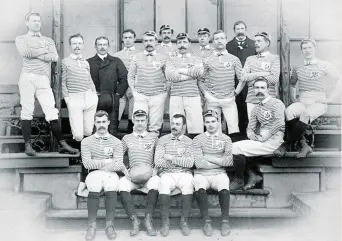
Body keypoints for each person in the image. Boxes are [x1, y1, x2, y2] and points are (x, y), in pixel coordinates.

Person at [15, 12, 78, 156]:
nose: (37, 23)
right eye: (33, 21)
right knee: (27, 109)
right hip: (27, 77)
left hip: (43, 78)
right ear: (27, 23)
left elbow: (55, 57)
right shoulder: (21, 38)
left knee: (51, 110)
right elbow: (26, 53)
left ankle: (62, 144)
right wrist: (43, 52)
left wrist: (36, 52)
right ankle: (28, 145)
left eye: (38, 20)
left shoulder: (48, 40)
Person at [274, 38, 342, 158]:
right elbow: (292, 84)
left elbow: (339, 79)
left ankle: (287, 143)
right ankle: (304, 145)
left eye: (310, 47)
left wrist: (331, 98)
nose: (307, 50)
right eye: (304, 48)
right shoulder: (298, 68)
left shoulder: (324, 65)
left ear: (314, 48)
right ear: (301, 50)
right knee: (288, 111)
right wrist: (293, 97)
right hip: (303, 100)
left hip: (318, 101)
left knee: (305, 114)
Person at [81, 110, 129, 241]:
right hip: (94, 173)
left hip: (110, 173)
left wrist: (104, 165)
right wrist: (107, 161)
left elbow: (118, 164)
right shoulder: (86, 142)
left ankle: (110, 225)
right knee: (95, 186)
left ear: (108, 122)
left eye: (103, 122)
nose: (101, 125)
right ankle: (91, 226)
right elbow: (87, 164)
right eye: (98, 122)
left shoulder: (116, 142)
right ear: (94, 123)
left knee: (111, 185)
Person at [232, 77, 285, 190]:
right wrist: (252, 136)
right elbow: (250, 128)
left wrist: (265, 137)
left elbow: (279, 123)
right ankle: (252, 174)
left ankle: (240, 179)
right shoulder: (256, 108)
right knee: (232, 147)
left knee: (235, 148)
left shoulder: (277, 103)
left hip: (274, 141)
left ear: (268, 90)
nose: (259, 90)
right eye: (256, 88)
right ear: (253, 90)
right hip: (261, 140)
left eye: (262, 87)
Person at [118, 110, 160, 236]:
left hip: (149, 175)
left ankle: (148, 219)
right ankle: (134, 220)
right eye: (137, 120)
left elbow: (160, 156)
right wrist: (125, 171)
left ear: (147, 121)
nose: (140, 123)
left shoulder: (154, 137)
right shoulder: (127, 138)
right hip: (133, 175)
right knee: (121, 184)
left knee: (157, 182)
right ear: (133, 121)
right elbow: (118, 157)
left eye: (142, 120)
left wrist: (155, 170)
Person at [192, 110, 233, 237]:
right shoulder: (198, 139)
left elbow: (229, 162)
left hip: (219, 174)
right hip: (201, 174)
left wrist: (207, 157)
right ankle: (206, 221)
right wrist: (220, 161)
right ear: (204, 123)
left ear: (219, 122)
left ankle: (225, 221)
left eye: (213, 121)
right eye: (207, 122)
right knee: (199, 184)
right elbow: (199, 163)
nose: (210, 124)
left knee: (224, 183)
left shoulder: (226, 139)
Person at [199, 30, 244, 140]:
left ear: (226, 40)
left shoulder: (234, 59)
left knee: (233, 128)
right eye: (216, 39)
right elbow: (200, 80)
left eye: (222, 38)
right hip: (212, 99)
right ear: (213, 41)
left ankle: (233, 155)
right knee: (213, 129)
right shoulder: (207, 60)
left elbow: (242, 79)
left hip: (229, 99)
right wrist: (206, 94)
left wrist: (236, 93)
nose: (219, 41)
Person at [154, 114, 195, 236]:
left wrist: (171, 158)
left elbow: (190, 162)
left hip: (184, 173)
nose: (174, 126)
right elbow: (158, 161)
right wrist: (178, 163)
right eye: (172, 123)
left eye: (177, 124)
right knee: (164, 183)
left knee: (188, 183)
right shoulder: (162, 140)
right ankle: (165, 222)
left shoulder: (189, 141)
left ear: (184, 126)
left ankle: (184, 221)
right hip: (167, 173)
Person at [128, 31, 168, 134]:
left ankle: (153, 148)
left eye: (151, 40)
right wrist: (134, 92)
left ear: (156, 42)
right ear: (143, 42)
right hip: (141, 95)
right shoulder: (136, 57)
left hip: (158, 95)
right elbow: (130, 76)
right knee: (139, 123)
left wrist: (165, 92)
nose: (148, 43)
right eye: (146, 41)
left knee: (155, 125)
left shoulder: (163, 58)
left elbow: (168, 77)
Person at [165, 33, 204, 138]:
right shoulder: (171, 59)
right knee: (176, 124)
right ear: (176, 44)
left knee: (195, 124)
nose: (182, 45)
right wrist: (191, 75)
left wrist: (179, 70)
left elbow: (199, 72)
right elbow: (170, 76)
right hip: (176, 95)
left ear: (189, 43)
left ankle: (195, 148)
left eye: (185, 42)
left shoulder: (196, 59)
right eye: (179, 42)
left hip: (192, 94)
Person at [87, 36, 128, 136]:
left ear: (108, 46)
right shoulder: (88, 62)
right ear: (95, 46)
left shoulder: (116, 61)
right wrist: (90, 93)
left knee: (111, 127)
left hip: (112, 100)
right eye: (99, 44)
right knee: (94, 126)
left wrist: (117, 94)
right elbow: (84, 81)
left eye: (104, 44)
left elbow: (125, 79)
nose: (102, 47)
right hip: (94, 99)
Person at [62, 33, 98, 143]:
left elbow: (89, 79)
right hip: (74, 98)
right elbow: (62, 82)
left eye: (79, 43)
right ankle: (78, 155)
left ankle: (84, 156)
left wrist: (94, 94)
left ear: (82, 45)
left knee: (88, 131)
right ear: (70, 45)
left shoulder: (85, 62)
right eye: (74, 43)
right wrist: (67, 99)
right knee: (78, 135)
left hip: (89, 97)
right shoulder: (65, 62)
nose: (77, 46)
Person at [226, 21, 256, 136]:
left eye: (242, 28)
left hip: (249, 82)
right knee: (233, 108)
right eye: (237, 29)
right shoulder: (228, 45)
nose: (240, 31)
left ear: (246, 29)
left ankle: (248, 135)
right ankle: (234, 136)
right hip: (233, 82)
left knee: (248, 107)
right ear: (234, 30)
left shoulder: (253, 45)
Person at [242, 32, 280, 119]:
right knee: (253, 127)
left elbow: (274, 79)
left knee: (267, 128)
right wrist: (263, 74)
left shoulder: (274, 58)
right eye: (255, 41)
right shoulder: (250, 59)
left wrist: (252, 78)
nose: (256, 43)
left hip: (269, 99)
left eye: (259, 41)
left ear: (267, 43)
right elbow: (244, 77)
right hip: (252, 99)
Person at [114, 29, 140, 133]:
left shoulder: (140, 54)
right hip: (121, 87)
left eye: (130, 38)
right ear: (122, 39)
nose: (128, 40)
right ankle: (113, 133)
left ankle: (131, 134)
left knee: (133, 110)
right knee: (118, 109)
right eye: (125, 38)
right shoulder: (117, 55)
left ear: (134, 39)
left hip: (134, 86)